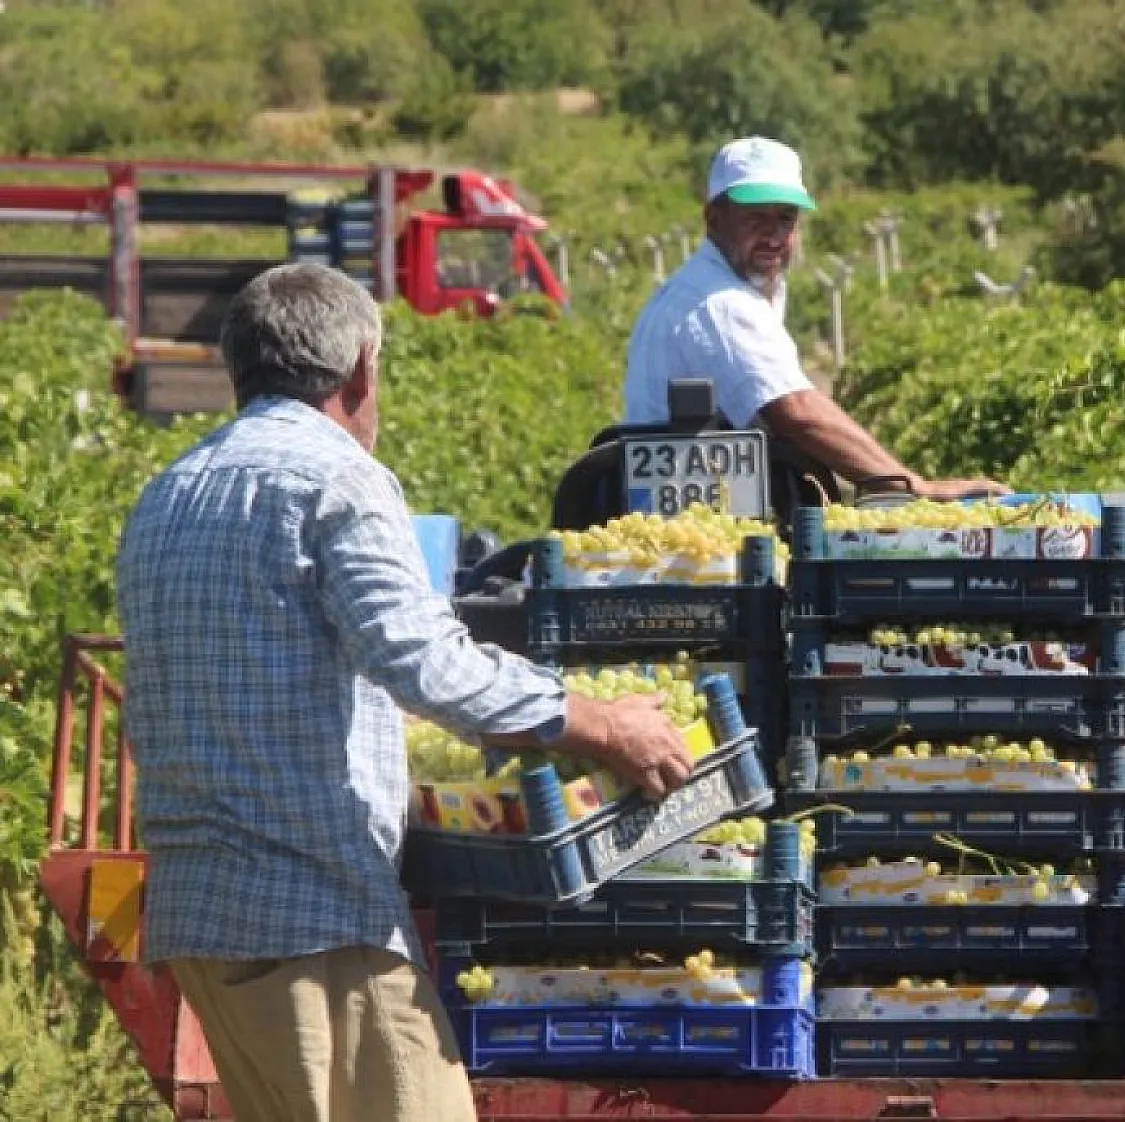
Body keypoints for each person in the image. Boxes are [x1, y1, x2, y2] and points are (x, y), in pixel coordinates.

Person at [115, 263, 694, 1122]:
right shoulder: (334, 477)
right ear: (359, 371)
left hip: (203, 916)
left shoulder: (168, 493)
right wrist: (602, 725)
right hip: (312, 915)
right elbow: (423, 659)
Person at [623, 135, 1007, 501]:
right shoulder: (719, 302)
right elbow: (798, 413)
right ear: (714, 219)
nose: (774, 234)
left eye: (786, 218)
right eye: (756, 217)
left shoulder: (700, 287)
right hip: (700, 526)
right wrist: (913, 487)